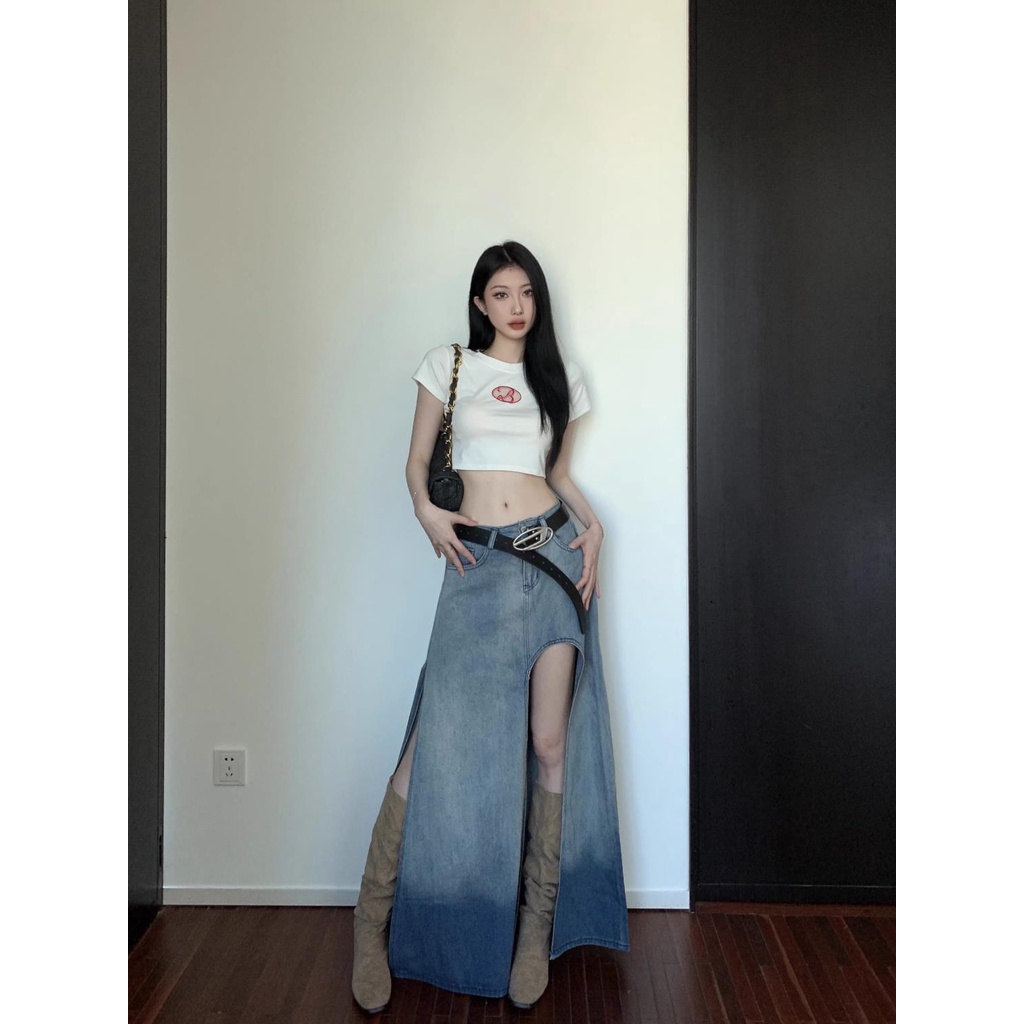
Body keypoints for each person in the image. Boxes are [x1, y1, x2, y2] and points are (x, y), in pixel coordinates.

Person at [350, 241, 629, 1014]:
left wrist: (594, 529)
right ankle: (370, 923)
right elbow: (416, 463)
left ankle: (535, 929)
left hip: (552, 562)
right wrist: (425, 513)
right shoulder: (449, 366)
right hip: (476, 568)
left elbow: (557, 475)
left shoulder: (557, 379)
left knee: (549, 743)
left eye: (526, 292)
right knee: (429, 747)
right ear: (480, 302)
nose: (516, 306)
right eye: (501, 293)